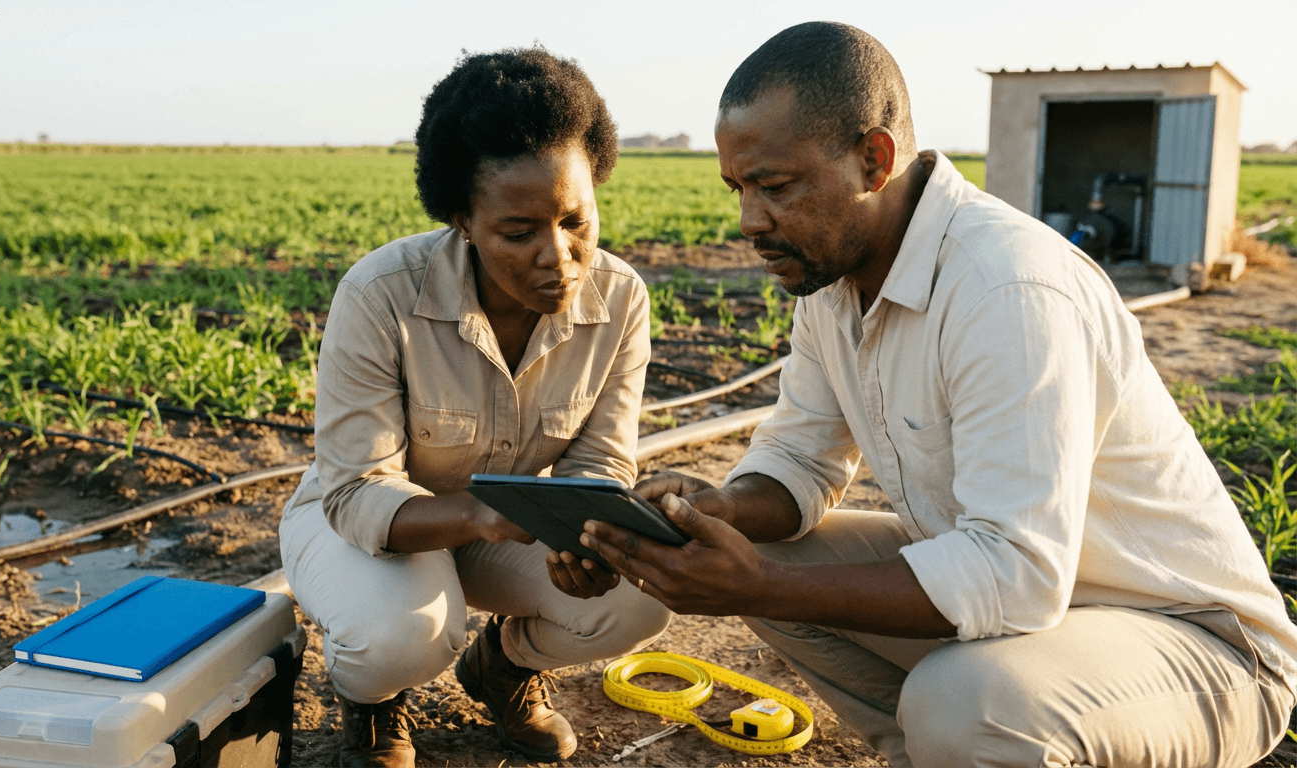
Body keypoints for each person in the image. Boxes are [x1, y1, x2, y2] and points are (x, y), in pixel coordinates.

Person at [580, 21, 1297, 768]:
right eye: (738, 189)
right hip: (1044, 617)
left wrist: (759, 585)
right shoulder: (830, 285)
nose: (749, 222)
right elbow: (799, 457)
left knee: (961, 702)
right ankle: (935, 755)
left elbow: (1015, 575)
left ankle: (969, 742)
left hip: (1194, 646)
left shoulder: (1006, 288)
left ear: (873, 159)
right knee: (766, 559)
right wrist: (721, 509)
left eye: (776, 186)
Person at [279, 47, 672, 767]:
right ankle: (373, 706)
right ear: (463, 218)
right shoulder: (382, 294)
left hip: (508, 530)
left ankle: (506, 667)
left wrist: (589, 537)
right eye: (519, 233)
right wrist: (477, 514)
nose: (559, 256)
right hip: (369, 525)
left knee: (640, 595)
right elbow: (355, 491)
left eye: (576, 221)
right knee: (403, 634)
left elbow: (600, 461)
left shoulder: (621, 300)